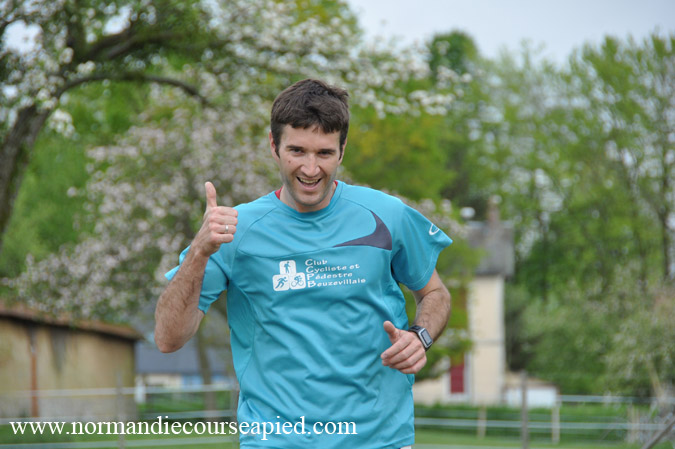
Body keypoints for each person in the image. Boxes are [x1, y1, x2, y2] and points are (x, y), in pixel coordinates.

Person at [155, 79, 452, 448]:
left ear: (342, 151)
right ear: (273, 146)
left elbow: (435, 293)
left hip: (379, 439)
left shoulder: (387, 215)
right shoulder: (234, 231)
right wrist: (199, 252)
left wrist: (420, 337)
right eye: (297, 150)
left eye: (324, 153)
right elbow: (168, 338)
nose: (311, 169)